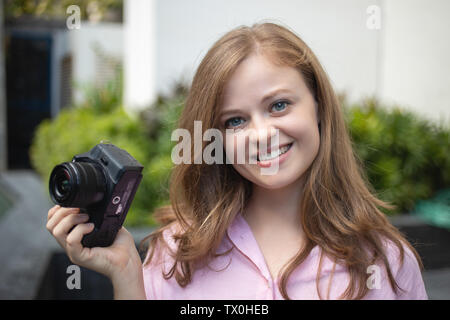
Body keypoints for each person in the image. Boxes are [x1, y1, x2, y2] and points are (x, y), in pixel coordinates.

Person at [46, 21, 428, 300]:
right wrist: (128, 276)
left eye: (279, 105)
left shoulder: (387, 262)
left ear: (319, 108)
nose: (261, 134)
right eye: (235, 120)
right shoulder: (175, 255)